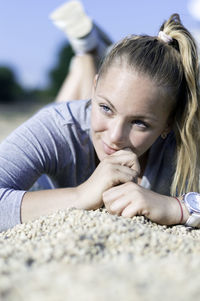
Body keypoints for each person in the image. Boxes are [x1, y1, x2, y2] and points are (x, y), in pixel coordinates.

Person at [0, 2, 200, 232]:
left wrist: (177, 207)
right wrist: (80, 194)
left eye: (139, 123)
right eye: (106, 108)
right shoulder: (58, 124)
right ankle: (87, 54)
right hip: (72, 120)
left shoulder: (184, 141)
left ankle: (87, 55)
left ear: (168, 123)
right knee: (69, 117)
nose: (115, 137)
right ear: (94, 89)